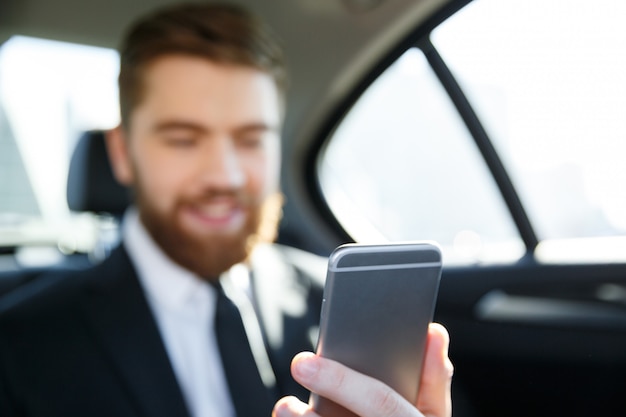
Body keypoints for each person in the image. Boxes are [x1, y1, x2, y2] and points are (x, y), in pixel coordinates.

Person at [0, 3, 453, 417]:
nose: (226, 176)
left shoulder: (350, 313)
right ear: (122, 153)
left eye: (251, 138)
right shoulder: (21, 345)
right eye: (183, 139)